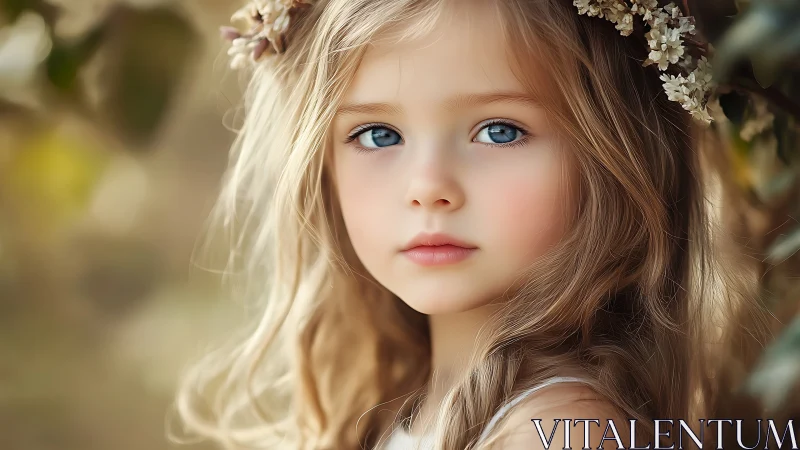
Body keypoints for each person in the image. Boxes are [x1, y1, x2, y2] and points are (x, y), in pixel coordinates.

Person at [173, 0, 768, 449]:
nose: (428, 187)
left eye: (499, 130)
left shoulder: (560, 430)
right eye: (378, 135)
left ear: (615, 154)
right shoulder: (412, 412)